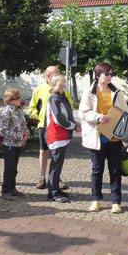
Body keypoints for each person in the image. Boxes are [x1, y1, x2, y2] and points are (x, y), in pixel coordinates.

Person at [79, 62, 128, 213]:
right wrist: (98, 117)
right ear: (97, 75)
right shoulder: (89, 93)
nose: (110, 77)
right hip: (97, 136)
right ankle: (96, 200)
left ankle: (116, 202)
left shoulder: (117, 92)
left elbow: (124, 112)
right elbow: (83, 113)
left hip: (114, 137)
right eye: (107, 74)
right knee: (97, 170)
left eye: (111, 74)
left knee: (114, 170)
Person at [28, 66, 73, 190]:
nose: (58, 76)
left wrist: (69, 120)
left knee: (57, 153)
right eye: (55, 74)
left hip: (58, 127)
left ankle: (57, 178)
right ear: (48, 76)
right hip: (44, 126)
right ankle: (42, 177)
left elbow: (69, 105)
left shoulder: (64, 89)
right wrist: (40, 117)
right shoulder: (39, 89)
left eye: (59, 74)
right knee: (44, 151)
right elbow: (31, 108)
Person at [45, 74, 80, 203]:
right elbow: (58, 118)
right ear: (58, 84)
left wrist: (74, 123)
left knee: (58, 164)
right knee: (55, 165)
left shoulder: (60, 97)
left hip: (62, 135)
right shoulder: (54, 98)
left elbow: (66, 115)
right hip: (56, 135)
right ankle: (52, 192)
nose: (65, 84)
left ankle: (56, 189)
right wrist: (73, 126)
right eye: (63, 82)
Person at [0, 88, 29, 200]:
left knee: (14, 168)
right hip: (9, 144)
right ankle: (5, 190)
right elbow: (2, 131)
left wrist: (27, 133)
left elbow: (24, 125)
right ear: (10, 100)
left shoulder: (18, 110)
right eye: (16, 98)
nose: (19, 100)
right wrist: (18, 136)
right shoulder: (7, 112)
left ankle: (12, 188)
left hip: (18, 144)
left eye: (19, 97)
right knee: (9, 168)